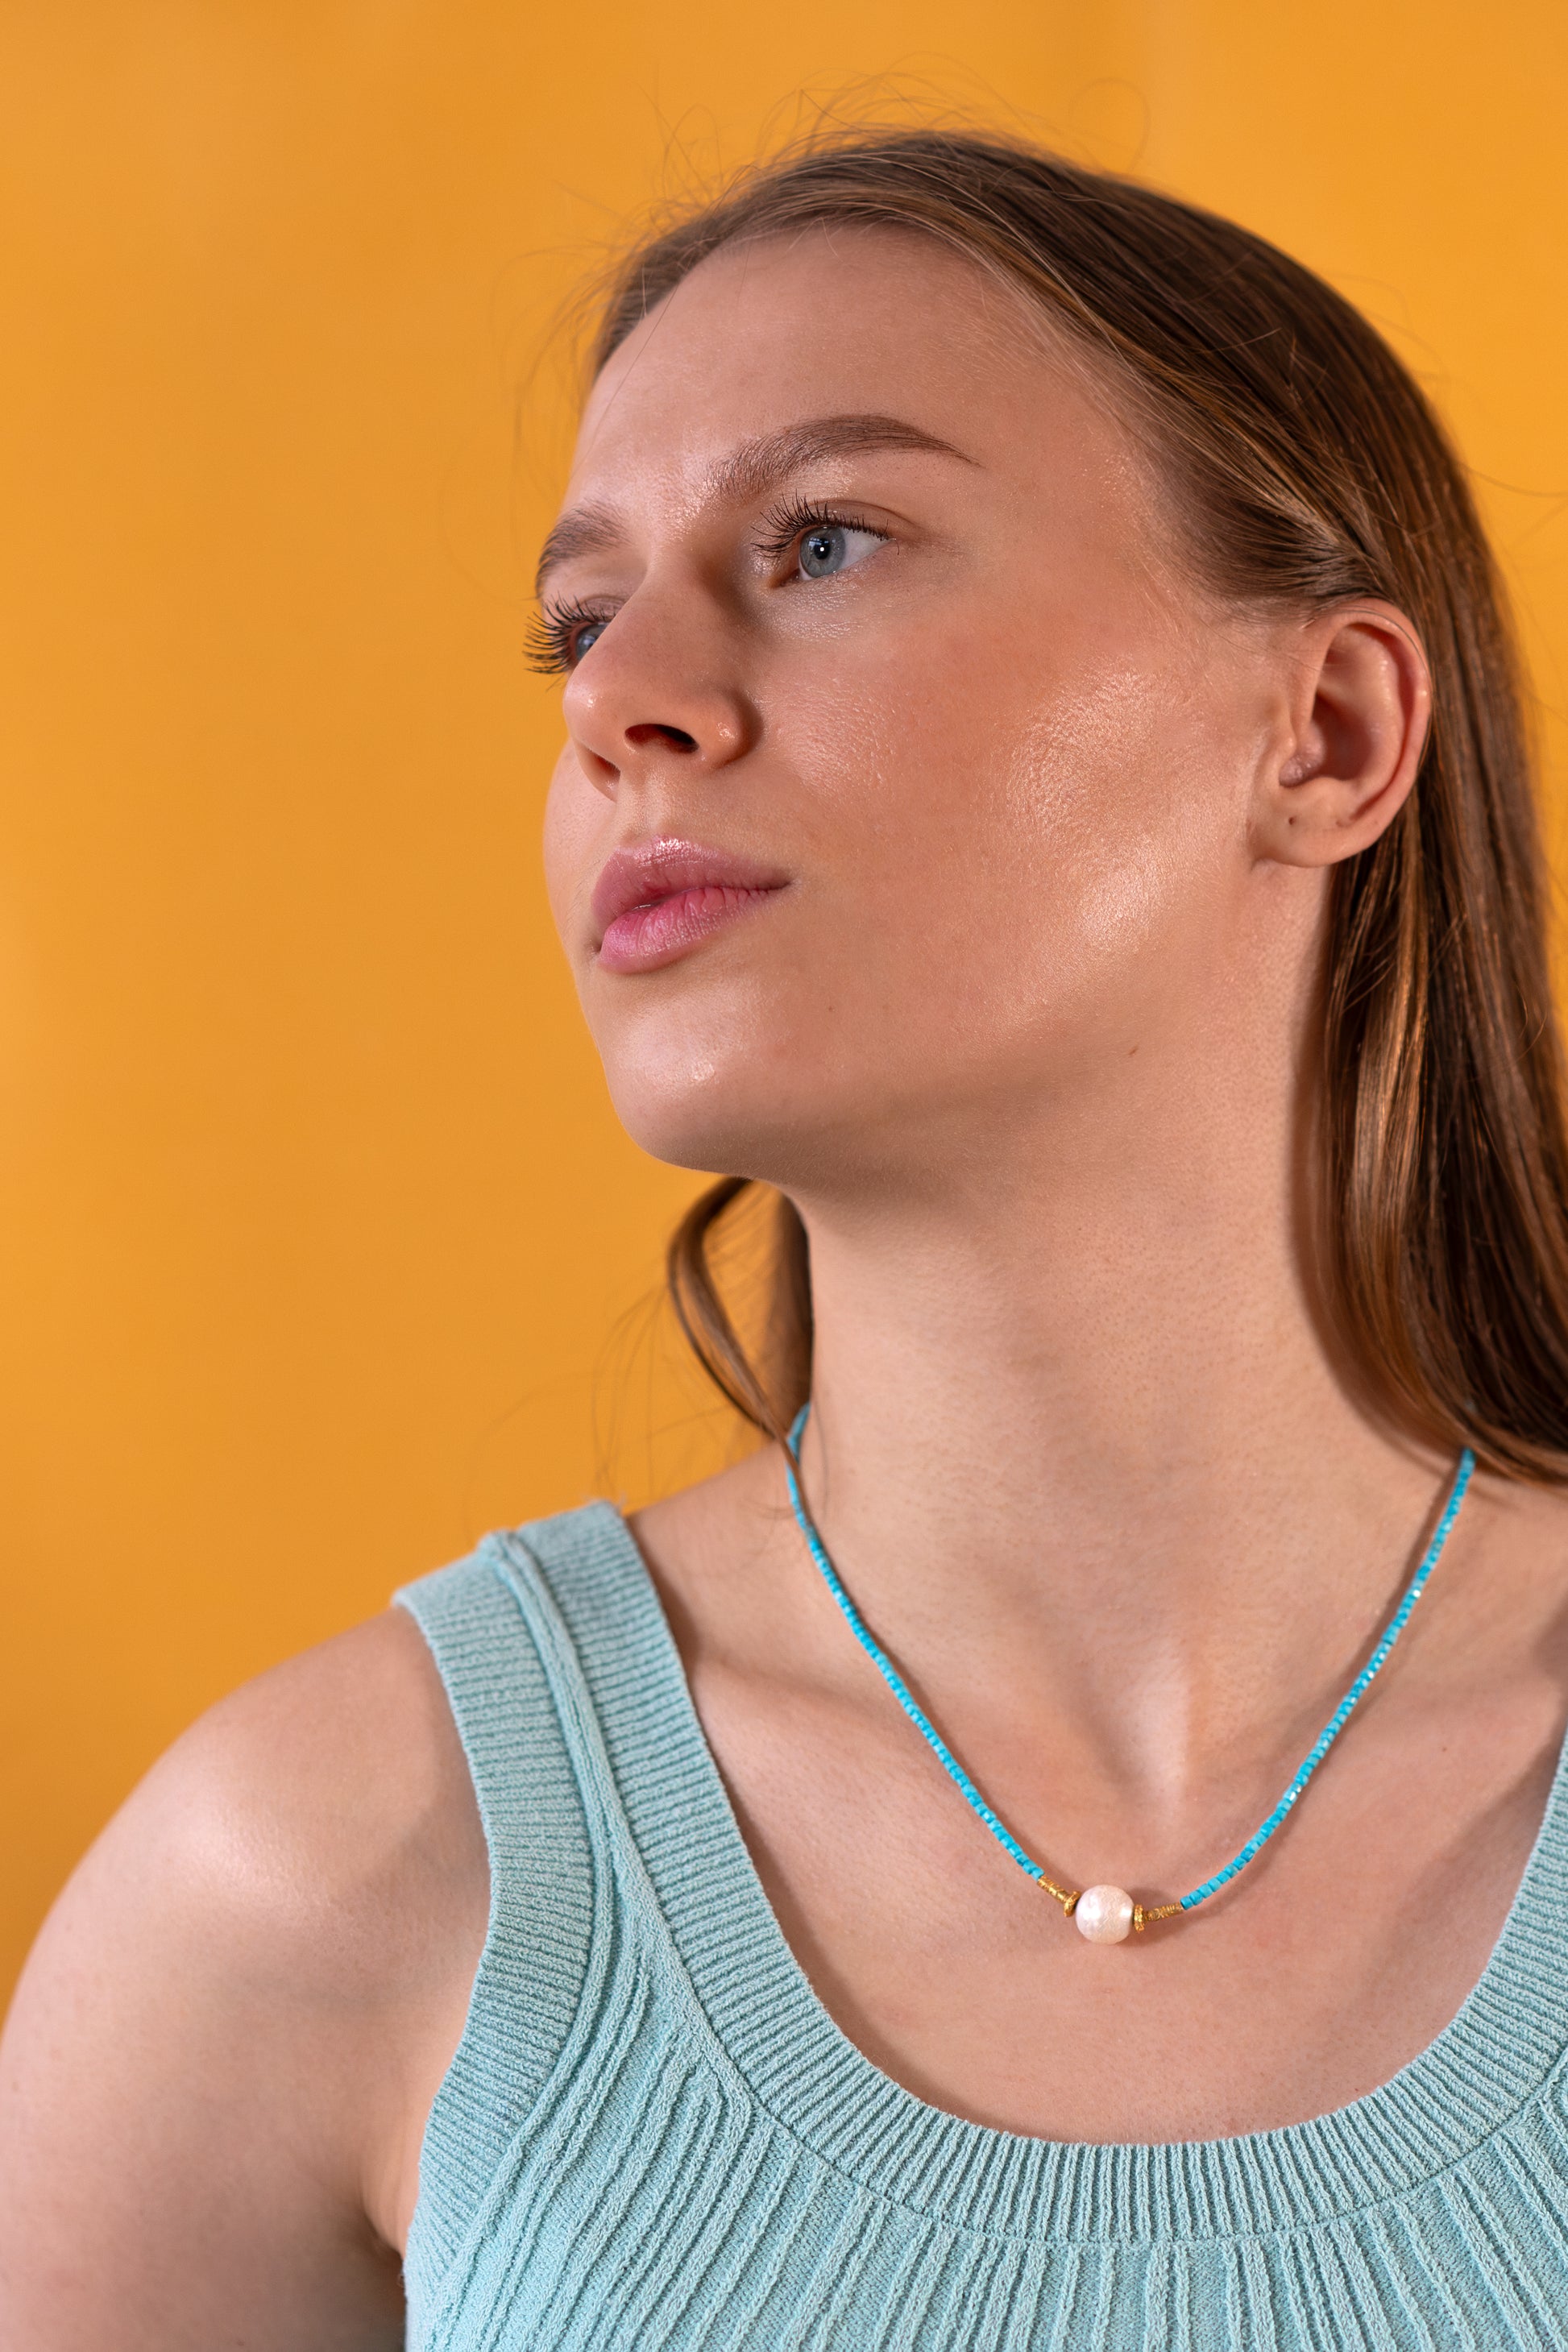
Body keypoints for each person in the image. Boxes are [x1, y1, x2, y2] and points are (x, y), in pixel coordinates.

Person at [5, 124, 1568, 2350]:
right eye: (574, 616)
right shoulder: (317, 1889)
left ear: (1319, 733)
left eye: (822, 542)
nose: (617, 698)